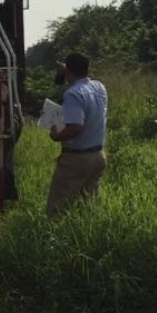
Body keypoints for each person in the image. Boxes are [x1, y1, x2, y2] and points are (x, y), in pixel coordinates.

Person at [47, 52, 108, 216]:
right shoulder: (99, 87)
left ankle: (54, 239)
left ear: (68, 70)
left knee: (58, 208)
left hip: (77, 159)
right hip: (98, 156)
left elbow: (75, 128)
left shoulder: (72, 94)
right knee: (88, 208)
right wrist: (66, 71)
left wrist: (56, 136)